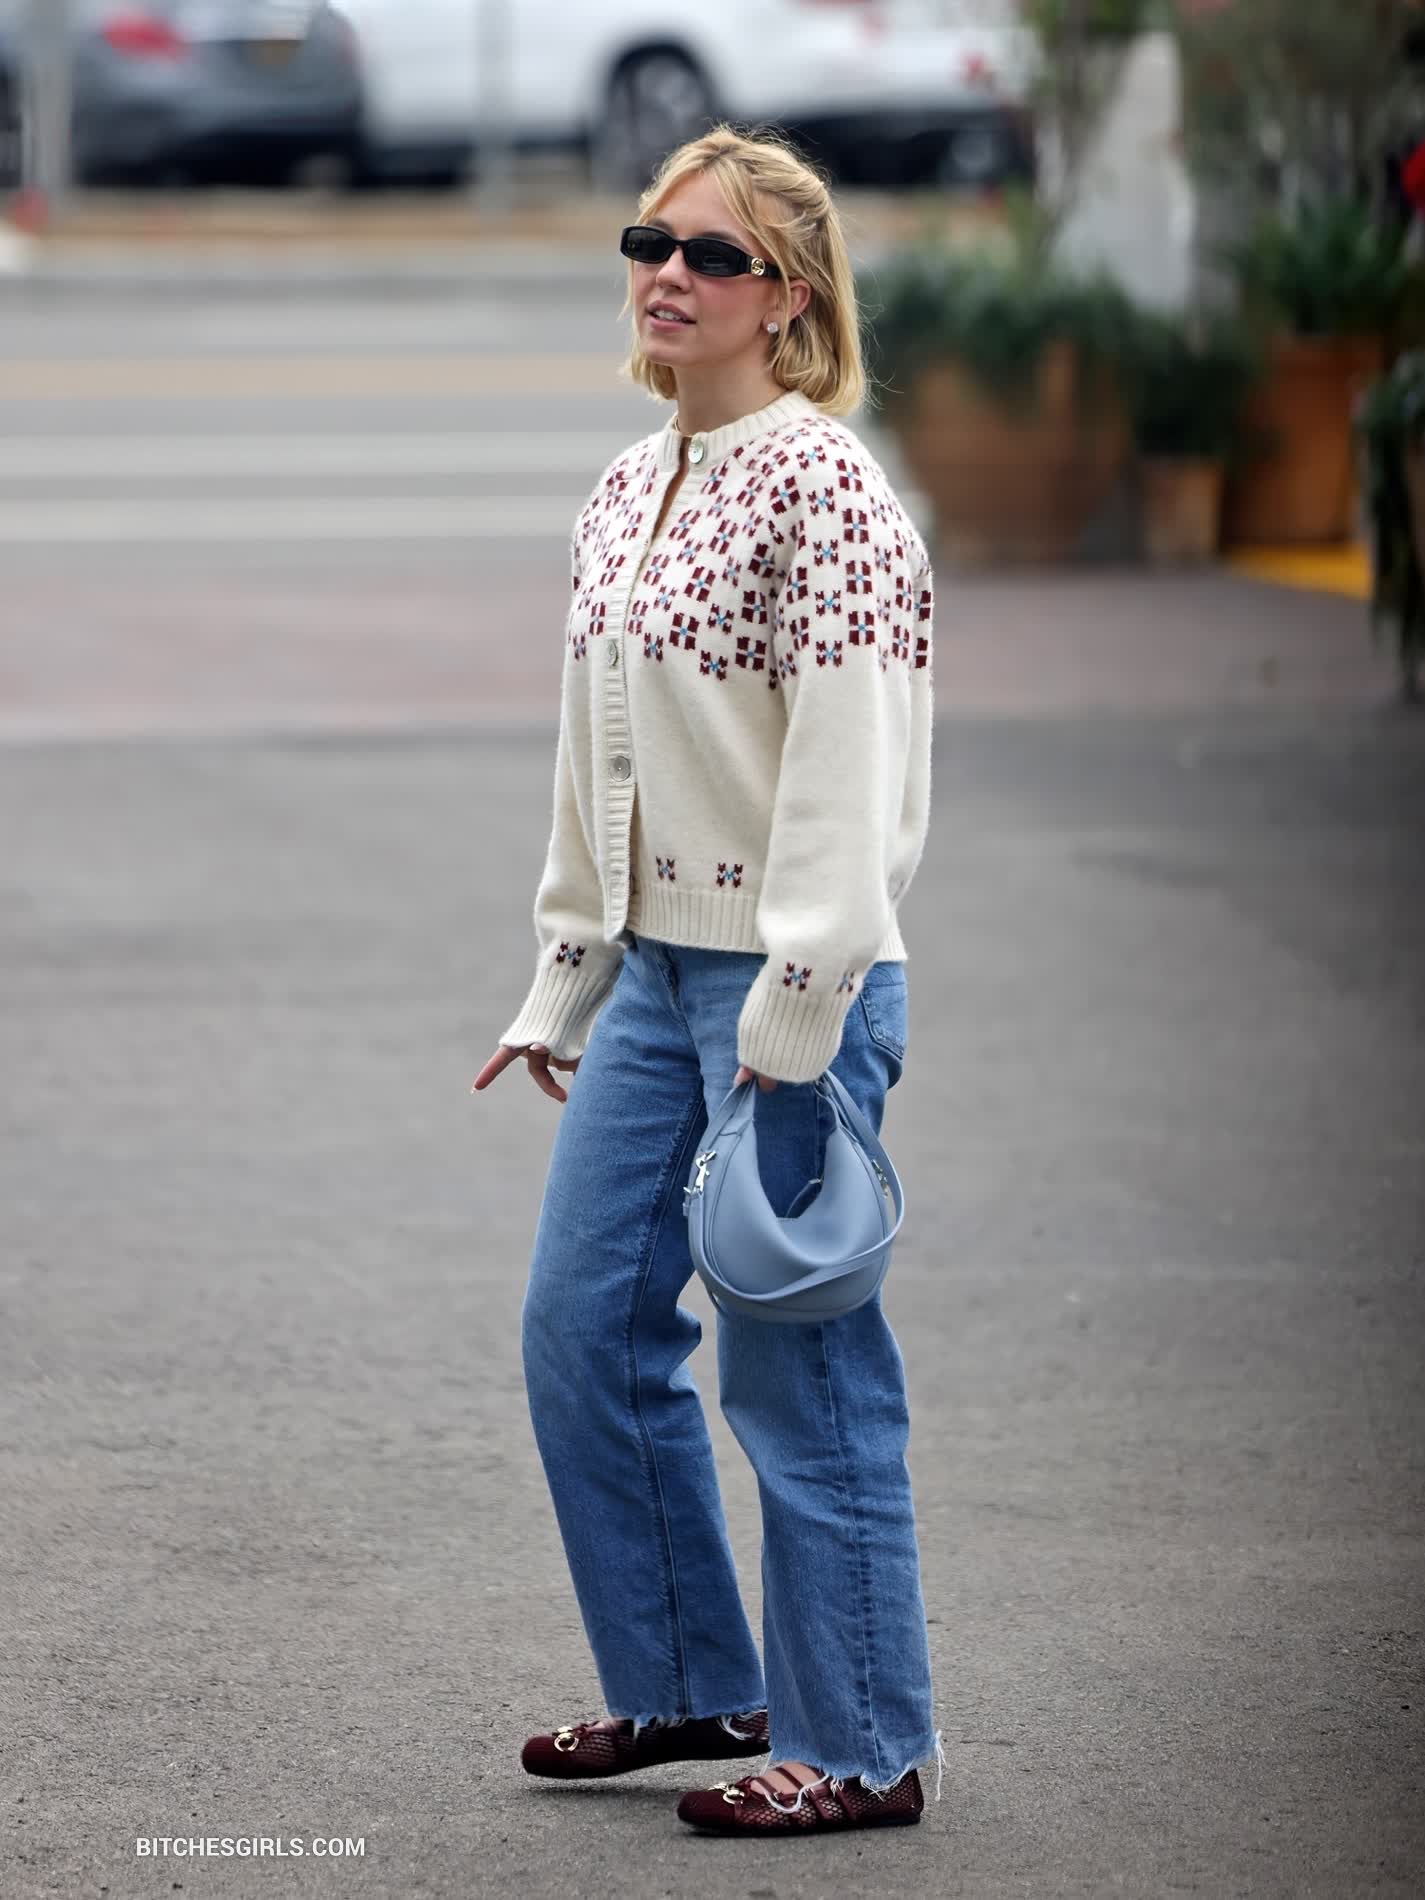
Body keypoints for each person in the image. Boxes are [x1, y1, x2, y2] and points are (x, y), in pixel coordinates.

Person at [471, 123, 942, 1838]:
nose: (666, 276)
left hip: (787, 991)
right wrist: (565, 973)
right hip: (658, 979)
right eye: (649, 244)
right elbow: (599, 756)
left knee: (800, 1375)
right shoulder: (627, 484)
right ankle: (687, 1680)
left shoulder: (827, 489)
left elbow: (846, 765)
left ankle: (865, 1744)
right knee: (582, 1329)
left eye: (712, 255)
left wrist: (799, 1003)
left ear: (789, 296)